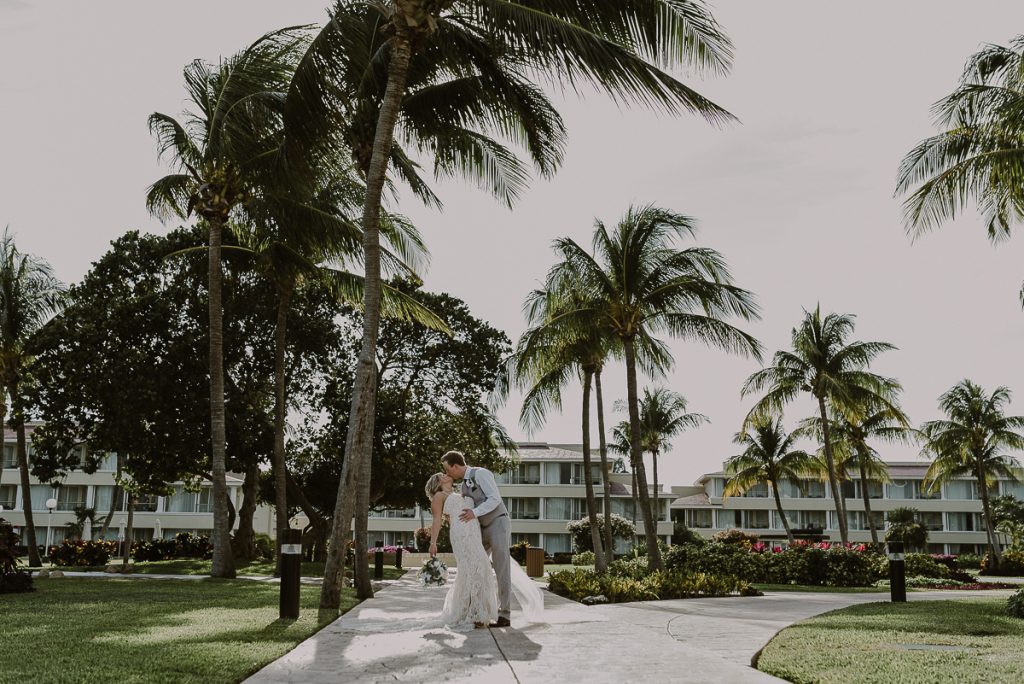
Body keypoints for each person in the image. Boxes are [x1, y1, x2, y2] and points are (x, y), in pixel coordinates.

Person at [439, 450, 513, 627]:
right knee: (475, 566)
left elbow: (495, 499)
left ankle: (505, 614)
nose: (447, 473)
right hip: (480, 529)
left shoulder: (481, 473)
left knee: (502, 567)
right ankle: (477, 610)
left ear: (456, 466)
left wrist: (474, 512)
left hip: (497, 523)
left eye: (448, 469)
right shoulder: (463, 486)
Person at [425, 471, 498, 628]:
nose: (446, 474)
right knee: (473, 568)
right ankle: (476, 614)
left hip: (473, 531)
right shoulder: (439, 496)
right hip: (461, 533)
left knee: (481, 567)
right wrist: (433, 542)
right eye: (442, 476)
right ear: (438, 483)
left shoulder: (460, 491)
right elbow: (437, 520)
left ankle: (475, 611)